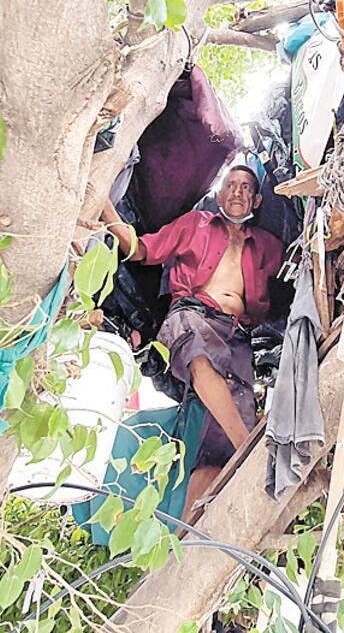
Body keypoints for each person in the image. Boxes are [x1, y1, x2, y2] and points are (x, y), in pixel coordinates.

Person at [102, 165, 284, 518]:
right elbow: (140, 250)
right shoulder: (195, 224)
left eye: (246, 187)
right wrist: (104, 207)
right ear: (219, 195)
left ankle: (187, 535)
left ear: (257, 200)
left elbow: (302, 261)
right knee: (200, 358)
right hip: (191, 314)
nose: (236, 191)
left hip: (238, 337)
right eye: (230, 184)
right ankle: (250, 449)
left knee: (216, 452)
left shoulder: (268, 246)